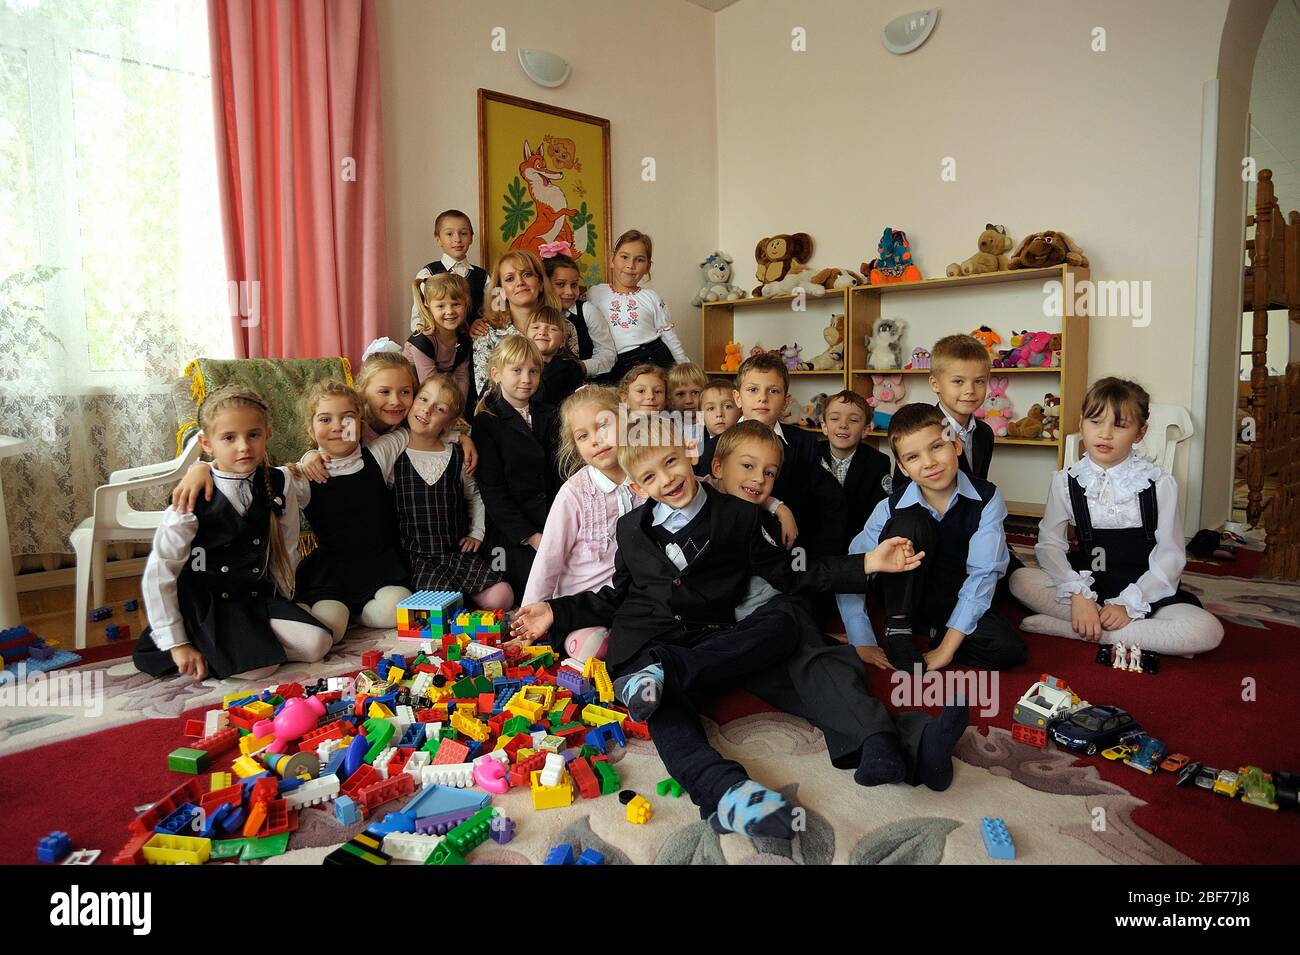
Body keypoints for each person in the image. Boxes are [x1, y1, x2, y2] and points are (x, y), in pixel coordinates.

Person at [1009, 376, 1224, 655]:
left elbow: (1170, 555)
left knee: (1206, 631)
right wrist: (1078, 594)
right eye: (1095, 422)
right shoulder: (1065, 482)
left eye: (1120, 425)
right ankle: (1112, 627)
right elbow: (1050, 545)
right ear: (1081, 423)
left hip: (1145, 593)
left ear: (1140, 433)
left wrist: (1128, 603)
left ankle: (1080, 631)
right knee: (1019, 580)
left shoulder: (1159, 484)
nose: (1105, 434)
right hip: (1090, 588)